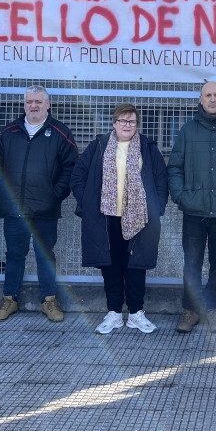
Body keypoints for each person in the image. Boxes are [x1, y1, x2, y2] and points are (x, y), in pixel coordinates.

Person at [72, 103, 168, 335]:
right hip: (107, 217)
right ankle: (114, 312)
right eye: (123, 121)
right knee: (111, 265)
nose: (128, 125)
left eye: (132, 122)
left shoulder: (147, 147)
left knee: (136, 265)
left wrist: (157, 207)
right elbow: (78, 174)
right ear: (114, 123)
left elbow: (161, 179)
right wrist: (86, 203)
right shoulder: (100, 146)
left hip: (139, 217)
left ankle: (136, 313)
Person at [0, 85, 79, 323]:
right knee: (14, 255)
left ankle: (49, 301)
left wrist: (55, 194)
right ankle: (9, 299)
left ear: (48, 104)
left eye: (39, 101)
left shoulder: (60, 132)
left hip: (45, 209)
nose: (34, 105)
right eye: (29, 101)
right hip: (14, 209)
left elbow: (71, 167)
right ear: (24, 104)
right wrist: (2, 192)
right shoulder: (9, 132)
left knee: (45, 255)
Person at [168, 81, 216, 334]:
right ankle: (190, 310)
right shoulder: (188, 130)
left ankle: (213, 309)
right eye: (207, 95)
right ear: (200, 100)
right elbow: (175, 167)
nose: (212, 99)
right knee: (191, 263)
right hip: (194, 209)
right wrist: (181, 196)